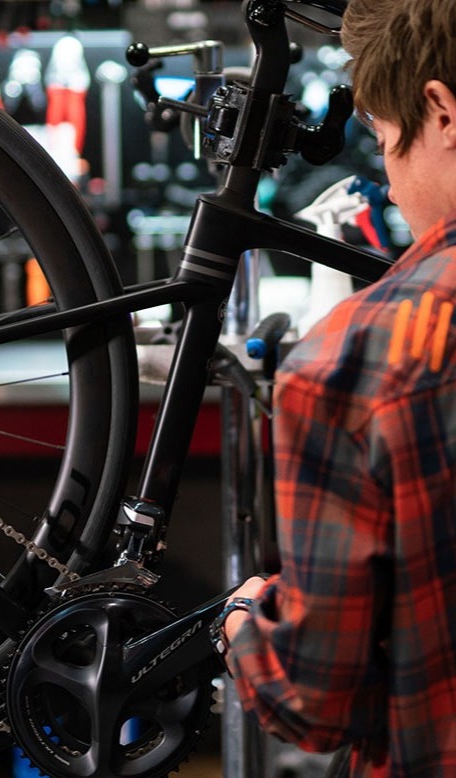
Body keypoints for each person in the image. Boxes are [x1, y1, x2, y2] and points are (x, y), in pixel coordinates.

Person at [216, 1, 456, 775]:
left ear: (440, 112)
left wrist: (246, 619)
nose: (387, 183)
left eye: (385, 141)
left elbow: (309, 703)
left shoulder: (358, 360)